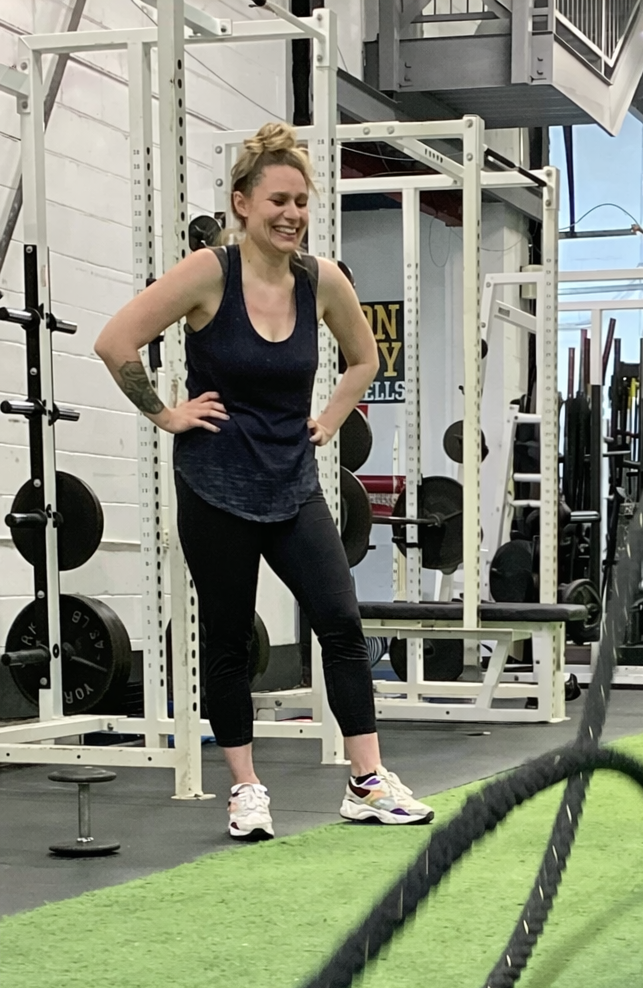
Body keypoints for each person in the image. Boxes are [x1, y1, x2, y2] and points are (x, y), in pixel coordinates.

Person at [95, 122, 434, 839]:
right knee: (227, 640)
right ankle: (246, 789)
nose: (292, 215)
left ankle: (367, 780)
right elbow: (116, 341)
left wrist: (333, 417)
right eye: (278, 200)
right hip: (215, 485)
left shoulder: (322, 280)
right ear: (242, 203)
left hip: (293, 485)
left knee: (340, 622)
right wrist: (165, 414)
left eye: (302, 202)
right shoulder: (208, 273)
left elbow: (363, 360)